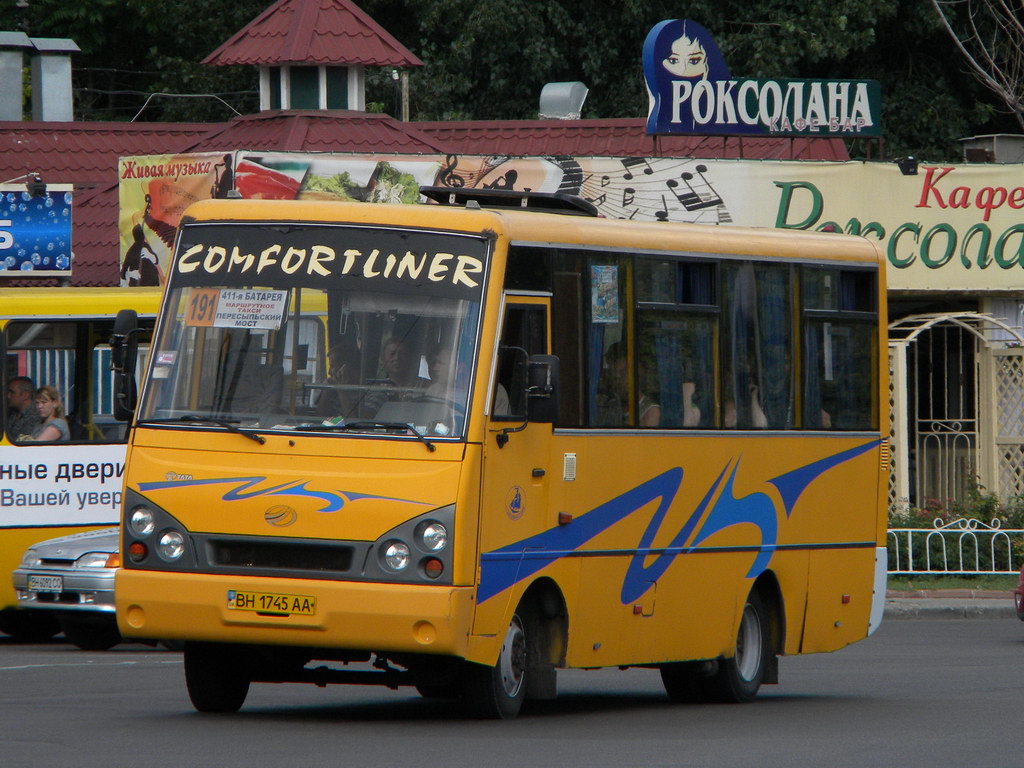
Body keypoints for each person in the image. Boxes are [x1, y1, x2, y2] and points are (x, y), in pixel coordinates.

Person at [6, 376, 41, 441]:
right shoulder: (13, 413)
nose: (8, 396)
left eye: (12, 392)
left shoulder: (35, 415)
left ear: (25, 395)